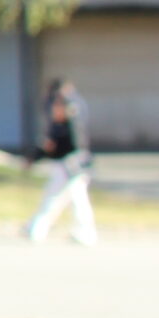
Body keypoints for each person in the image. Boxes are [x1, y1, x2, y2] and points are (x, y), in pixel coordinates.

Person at [26, 77, 97, 245]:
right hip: (69, 164)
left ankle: (38, 228)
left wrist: (37, 156)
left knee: (62, 198)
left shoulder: (70, 118)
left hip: (71, 165)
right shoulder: (68, 118)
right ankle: (38, 226)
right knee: (72, 199)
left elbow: (64, 144)